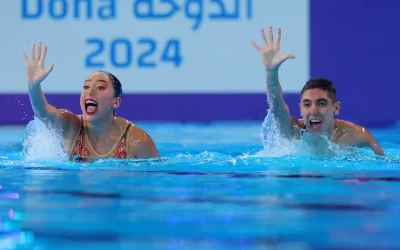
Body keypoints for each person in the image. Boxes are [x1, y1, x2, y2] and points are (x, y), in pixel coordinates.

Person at [251, 26, 385, 156]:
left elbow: (385, 164)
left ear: (336, 107)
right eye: (307, 104)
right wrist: (271, 72)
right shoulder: (294, 131)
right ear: (301, 109)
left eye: (321, 103)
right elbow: (276, 105)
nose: (313, 110)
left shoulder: (357, 135)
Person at [22, 42, 160, 161]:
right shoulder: (71, 126)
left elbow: (156, 181)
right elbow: (44, 113)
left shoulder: (136, 141)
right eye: (86, 86)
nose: (90, 91)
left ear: (116, 102)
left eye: (100, 87)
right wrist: (33, 87)